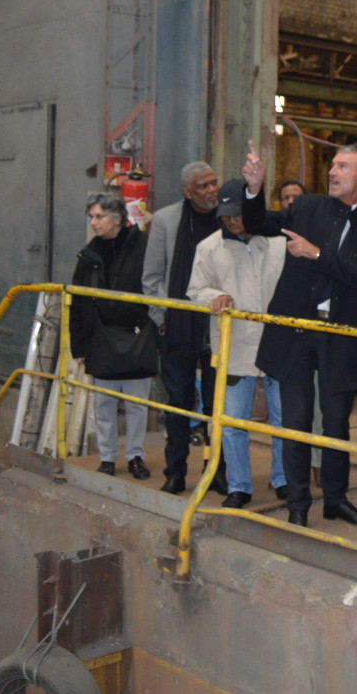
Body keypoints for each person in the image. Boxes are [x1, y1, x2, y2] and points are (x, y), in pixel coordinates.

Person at [241, 141, 357, 528]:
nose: (333, 171)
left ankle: (336, 500)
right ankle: (297, 503)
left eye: (343, 166)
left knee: (337, 423)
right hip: (295, 331)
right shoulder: (308, 208)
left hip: (339, 335)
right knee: (295, 419)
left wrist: (317, 254)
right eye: (333, 165)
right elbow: (261, 224)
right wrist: (255, 190)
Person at [186, 179, 287, 508]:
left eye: (238, 215)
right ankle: (239, 486)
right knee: (230, 421)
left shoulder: (278, 242)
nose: (232, 221)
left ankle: (283, 478)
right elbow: (196, 290)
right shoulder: (209, 248)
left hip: (276, 344)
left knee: (283, 420)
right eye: (227, 216)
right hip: (235, 347)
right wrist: (215, 296)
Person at [143, 162, 224, 494]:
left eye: (213, 183)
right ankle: (175, 472)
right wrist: (164, 320)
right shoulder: (165, 220)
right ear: (187, 192)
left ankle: (216, 470)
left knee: (216, 405)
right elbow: (151, 278)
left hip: (218, 326)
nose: (210, 191)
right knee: (178, 405)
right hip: (177, 327)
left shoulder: (227, 217)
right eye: (202, 186)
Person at [70, 191, 156, 480]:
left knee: (136, 405)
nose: (93, 222)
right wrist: (78, 345)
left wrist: (156, 330)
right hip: (100, 339)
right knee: (104, 405)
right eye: (91, 217)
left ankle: (135, 456)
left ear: (117, 218)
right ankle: (107, 457)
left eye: (99, 216)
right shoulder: (89, 255)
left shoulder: (144, 247)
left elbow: (155, 287)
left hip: (137, 336)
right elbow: (78, 303)